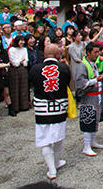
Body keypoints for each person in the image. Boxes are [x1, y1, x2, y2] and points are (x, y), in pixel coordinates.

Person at [29, 44, 71, 180]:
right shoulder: (64, 68)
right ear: (58, 55)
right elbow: (67, 82)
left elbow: (31, 84)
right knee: (58, 136)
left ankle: (52, 169)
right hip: (59, 107)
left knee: (45, 139)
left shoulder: (35, 69)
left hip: (42, 108)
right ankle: (56, 163)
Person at [75, 42, 103, 156]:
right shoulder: (83, 65)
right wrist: (95, 80)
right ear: (88, 52)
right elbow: (80, 83)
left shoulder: (95, 63)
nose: (97, 54)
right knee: (88, 119)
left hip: (98, 94)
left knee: (95, 118)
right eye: (95, 52)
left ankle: (93, 141)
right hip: (89, 96)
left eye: (98, 52)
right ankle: (86, 145)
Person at [8, 35, 29, 113]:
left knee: (24, 88)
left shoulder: (24, 49)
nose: (22, 42)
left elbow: (26, 62)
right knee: (15, 88)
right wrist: (21, 60)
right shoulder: (12, 50)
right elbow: (14, 63)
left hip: (23, 69)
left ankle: (24, 106)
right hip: (14, 70)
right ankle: (15, 107)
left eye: (23, 41)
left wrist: (21, 60)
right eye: (21, 41)